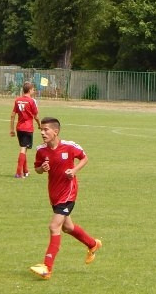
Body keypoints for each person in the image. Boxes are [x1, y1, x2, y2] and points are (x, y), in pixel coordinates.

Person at [29, 117, 101, 280]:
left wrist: (74, 170)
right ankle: (93, 244)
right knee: (67, 227)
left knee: (54, 226)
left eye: (46, 130)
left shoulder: (69, 146)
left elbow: (84, 157)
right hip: (54, 193)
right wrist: (42, 168)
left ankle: (47, 267)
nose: (42, 132)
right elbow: (37, 169)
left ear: (56, 131)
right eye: (41, 129)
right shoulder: (41, 150)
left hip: (68, 192)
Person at [10, 81, 41, 178]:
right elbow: (36, 116)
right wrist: (40, 125)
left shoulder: (18, 100)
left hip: (19, 128)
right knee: (23, 149)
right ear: (30, 90)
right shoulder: (31, 101)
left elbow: (12, 115)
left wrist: (11, 129)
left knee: (24, 148)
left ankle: (26, 171)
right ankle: (19, 172)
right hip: (28, 128)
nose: (34, 91)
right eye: (33, 89)